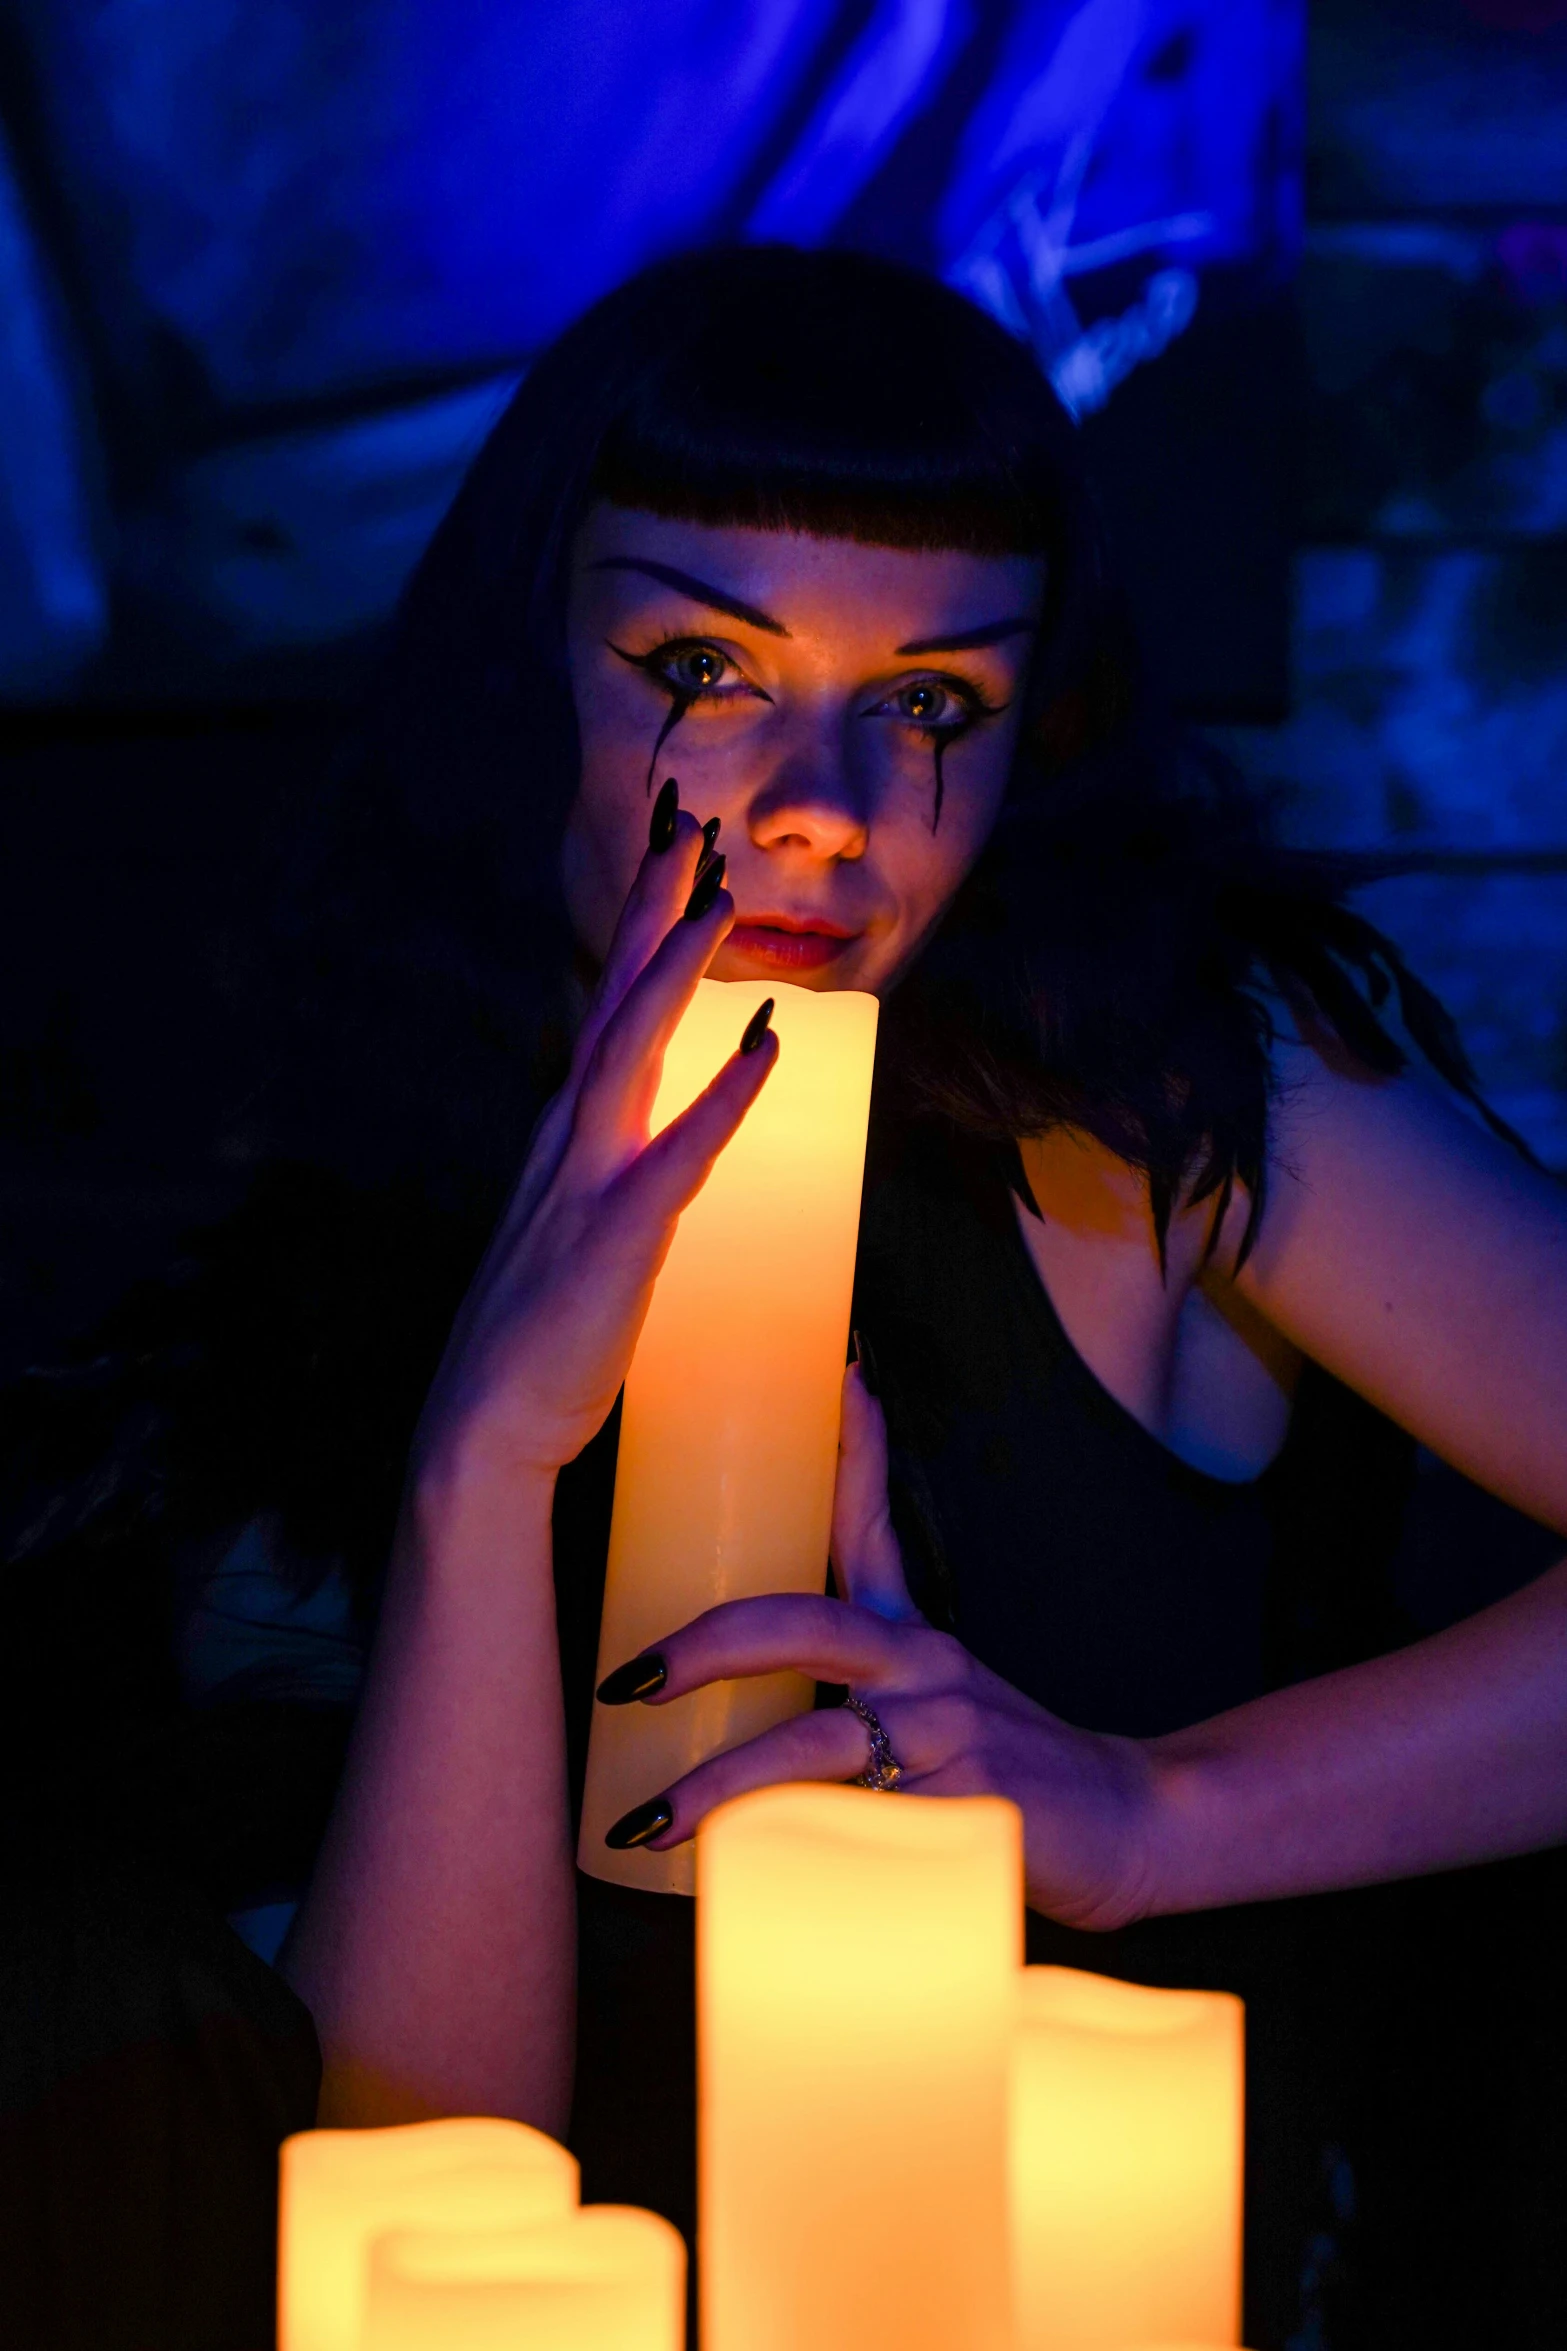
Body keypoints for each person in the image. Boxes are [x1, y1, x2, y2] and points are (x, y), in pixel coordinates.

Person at [7, 244, 1565, 2347]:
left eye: (932, 702)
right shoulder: (374, 1184)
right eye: (708, 667)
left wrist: (1144, 1809)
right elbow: (423, 2194)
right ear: (530, 665)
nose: (824, 803)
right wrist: (491, 1461)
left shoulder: (1157, 1096)